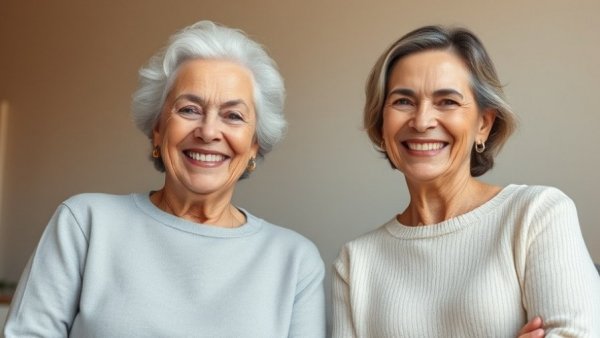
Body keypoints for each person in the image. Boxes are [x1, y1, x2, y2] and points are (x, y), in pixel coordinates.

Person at [4, 20, 326, 337]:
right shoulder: (84, 224)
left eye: (233, 116)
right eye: (189, 110)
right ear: (157, 131)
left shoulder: (295, 261)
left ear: (254, 144)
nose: (209, 131)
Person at [332, 25, 600, 337]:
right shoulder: (355, 262)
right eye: (403, 101)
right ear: (381, 124)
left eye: (447, 101)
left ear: (484, 124)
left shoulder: (537, 214)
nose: (421, 121)